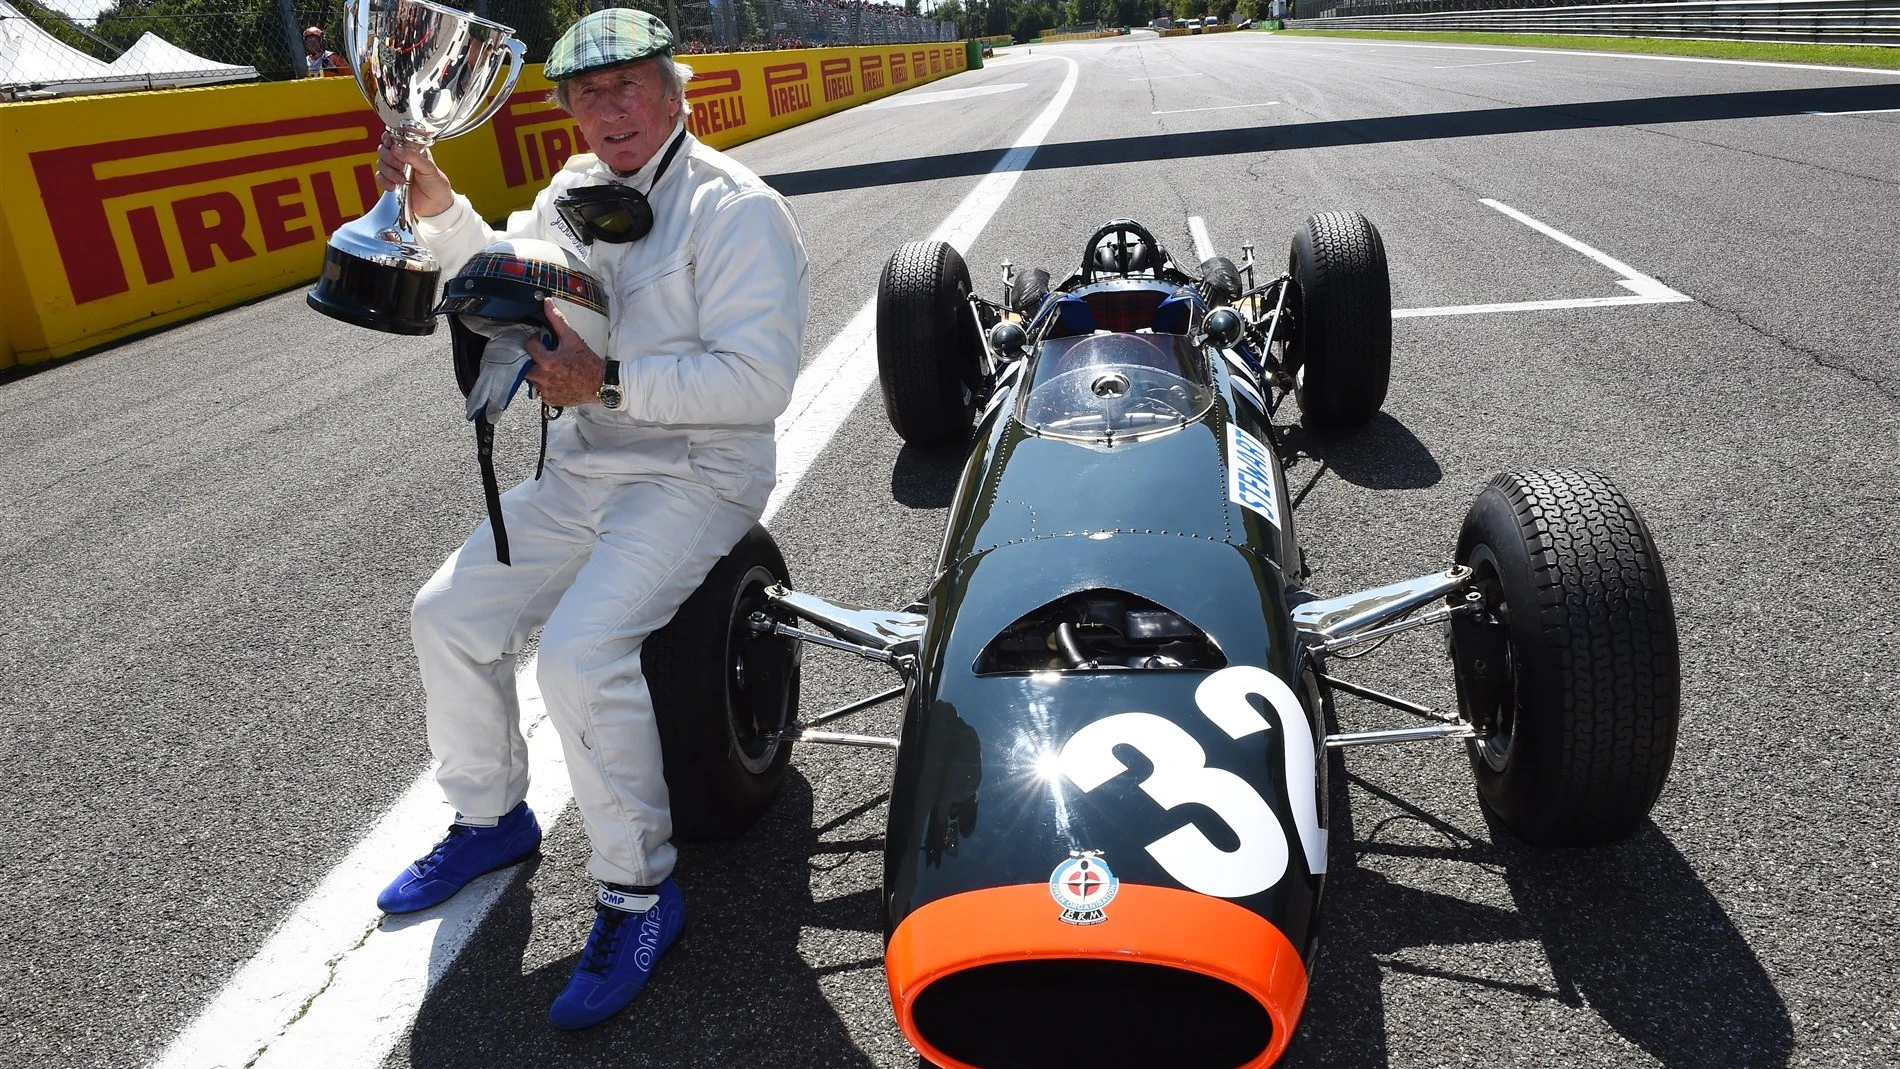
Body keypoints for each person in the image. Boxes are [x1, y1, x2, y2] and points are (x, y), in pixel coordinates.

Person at [368, 6, 809, 1031]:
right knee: (446, 612)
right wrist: (437, 208)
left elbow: (759, 381)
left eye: (628, 88)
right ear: (566, 109)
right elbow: (507, 274)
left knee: (577, 653)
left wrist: (605, 383)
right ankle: (490, 817)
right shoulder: (571, 189)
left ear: (673, 91)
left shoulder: (739, 210)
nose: (607, 111)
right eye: (585, 95)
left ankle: (638, 891)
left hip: (696, 471)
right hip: (583, 467)